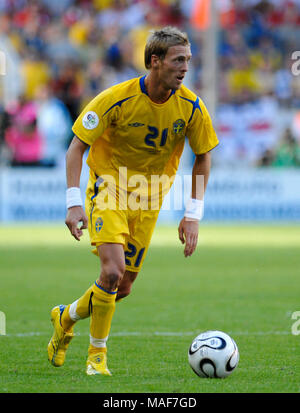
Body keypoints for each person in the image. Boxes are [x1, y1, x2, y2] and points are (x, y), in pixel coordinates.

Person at [47, 26, 219, 376]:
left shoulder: (191, 107)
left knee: (121, 287)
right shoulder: (116, 98)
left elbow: (203, 156)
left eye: (188, 60)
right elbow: (76, 146)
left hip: (150, 199)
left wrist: (192, 214)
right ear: (154, 61)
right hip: (109, 188)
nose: (185, 67)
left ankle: (66, 317)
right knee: (111, 271)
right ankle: (97, 358)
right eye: (178, 60)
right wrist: (73, 201)